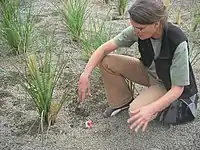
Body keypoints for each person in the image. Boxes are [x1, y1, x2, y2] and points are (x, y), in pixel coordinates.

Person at [78, 0, 199, 133]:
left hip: (166, 84)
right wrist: (85, 73)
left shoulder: (177, 41)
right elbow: (104, 49)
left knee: (135, 112)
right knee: (106, 61)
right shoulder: (138, 30)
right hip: (148, 73)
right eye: (133, 26)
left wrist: (151, 109)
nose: (136, 32)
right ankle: (121, 102)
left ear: (156, 24)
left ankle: (159, 104)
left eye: (140, 28)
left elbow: (178, 89)